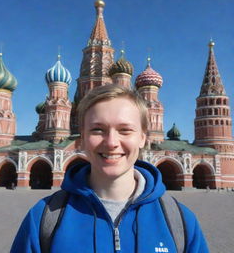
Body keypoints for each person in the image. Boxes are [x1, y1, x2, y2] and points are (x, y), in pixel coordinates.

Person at [11, 84, 209, 252]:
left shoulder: (179, 221)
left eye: (125, 130)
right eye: (98, 129)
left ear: (143, 137)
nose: (112, 142)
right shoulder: (44, 218)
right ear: (81, 138)